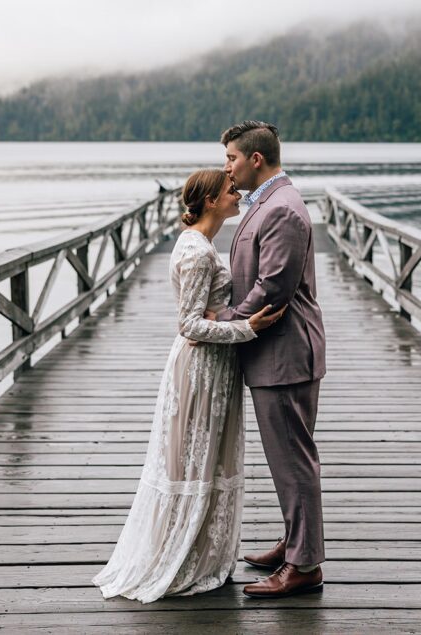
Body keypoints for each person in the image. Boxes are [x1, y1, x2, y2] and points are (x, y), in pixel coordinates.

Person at [92, 168, 284, 603]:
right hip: (201, 369)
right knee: (192, 461)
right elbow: (189, 325)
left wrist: (228, 316)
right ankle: (184, 555)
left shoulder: (201, 244)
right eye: (230, 190)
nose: (238, 194)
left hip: (216, 367)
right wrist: (247, 327)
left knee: (206, 460)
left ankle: (205, 552)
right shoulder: (197, 252)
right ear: (212, 201)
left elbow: (204, 314)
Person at [215, 120, 327, 598]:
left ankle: (304, 566)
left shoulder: (281, 209)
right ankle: (293, 542)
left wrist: (224, 323)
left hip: (284, 353)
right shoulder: (268, 202)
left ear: (255, 159)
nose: (228, 170)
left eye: (232, 160)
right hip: (276, 354)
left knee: (293, 460)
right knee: (287, 457)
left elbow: (273, 288)